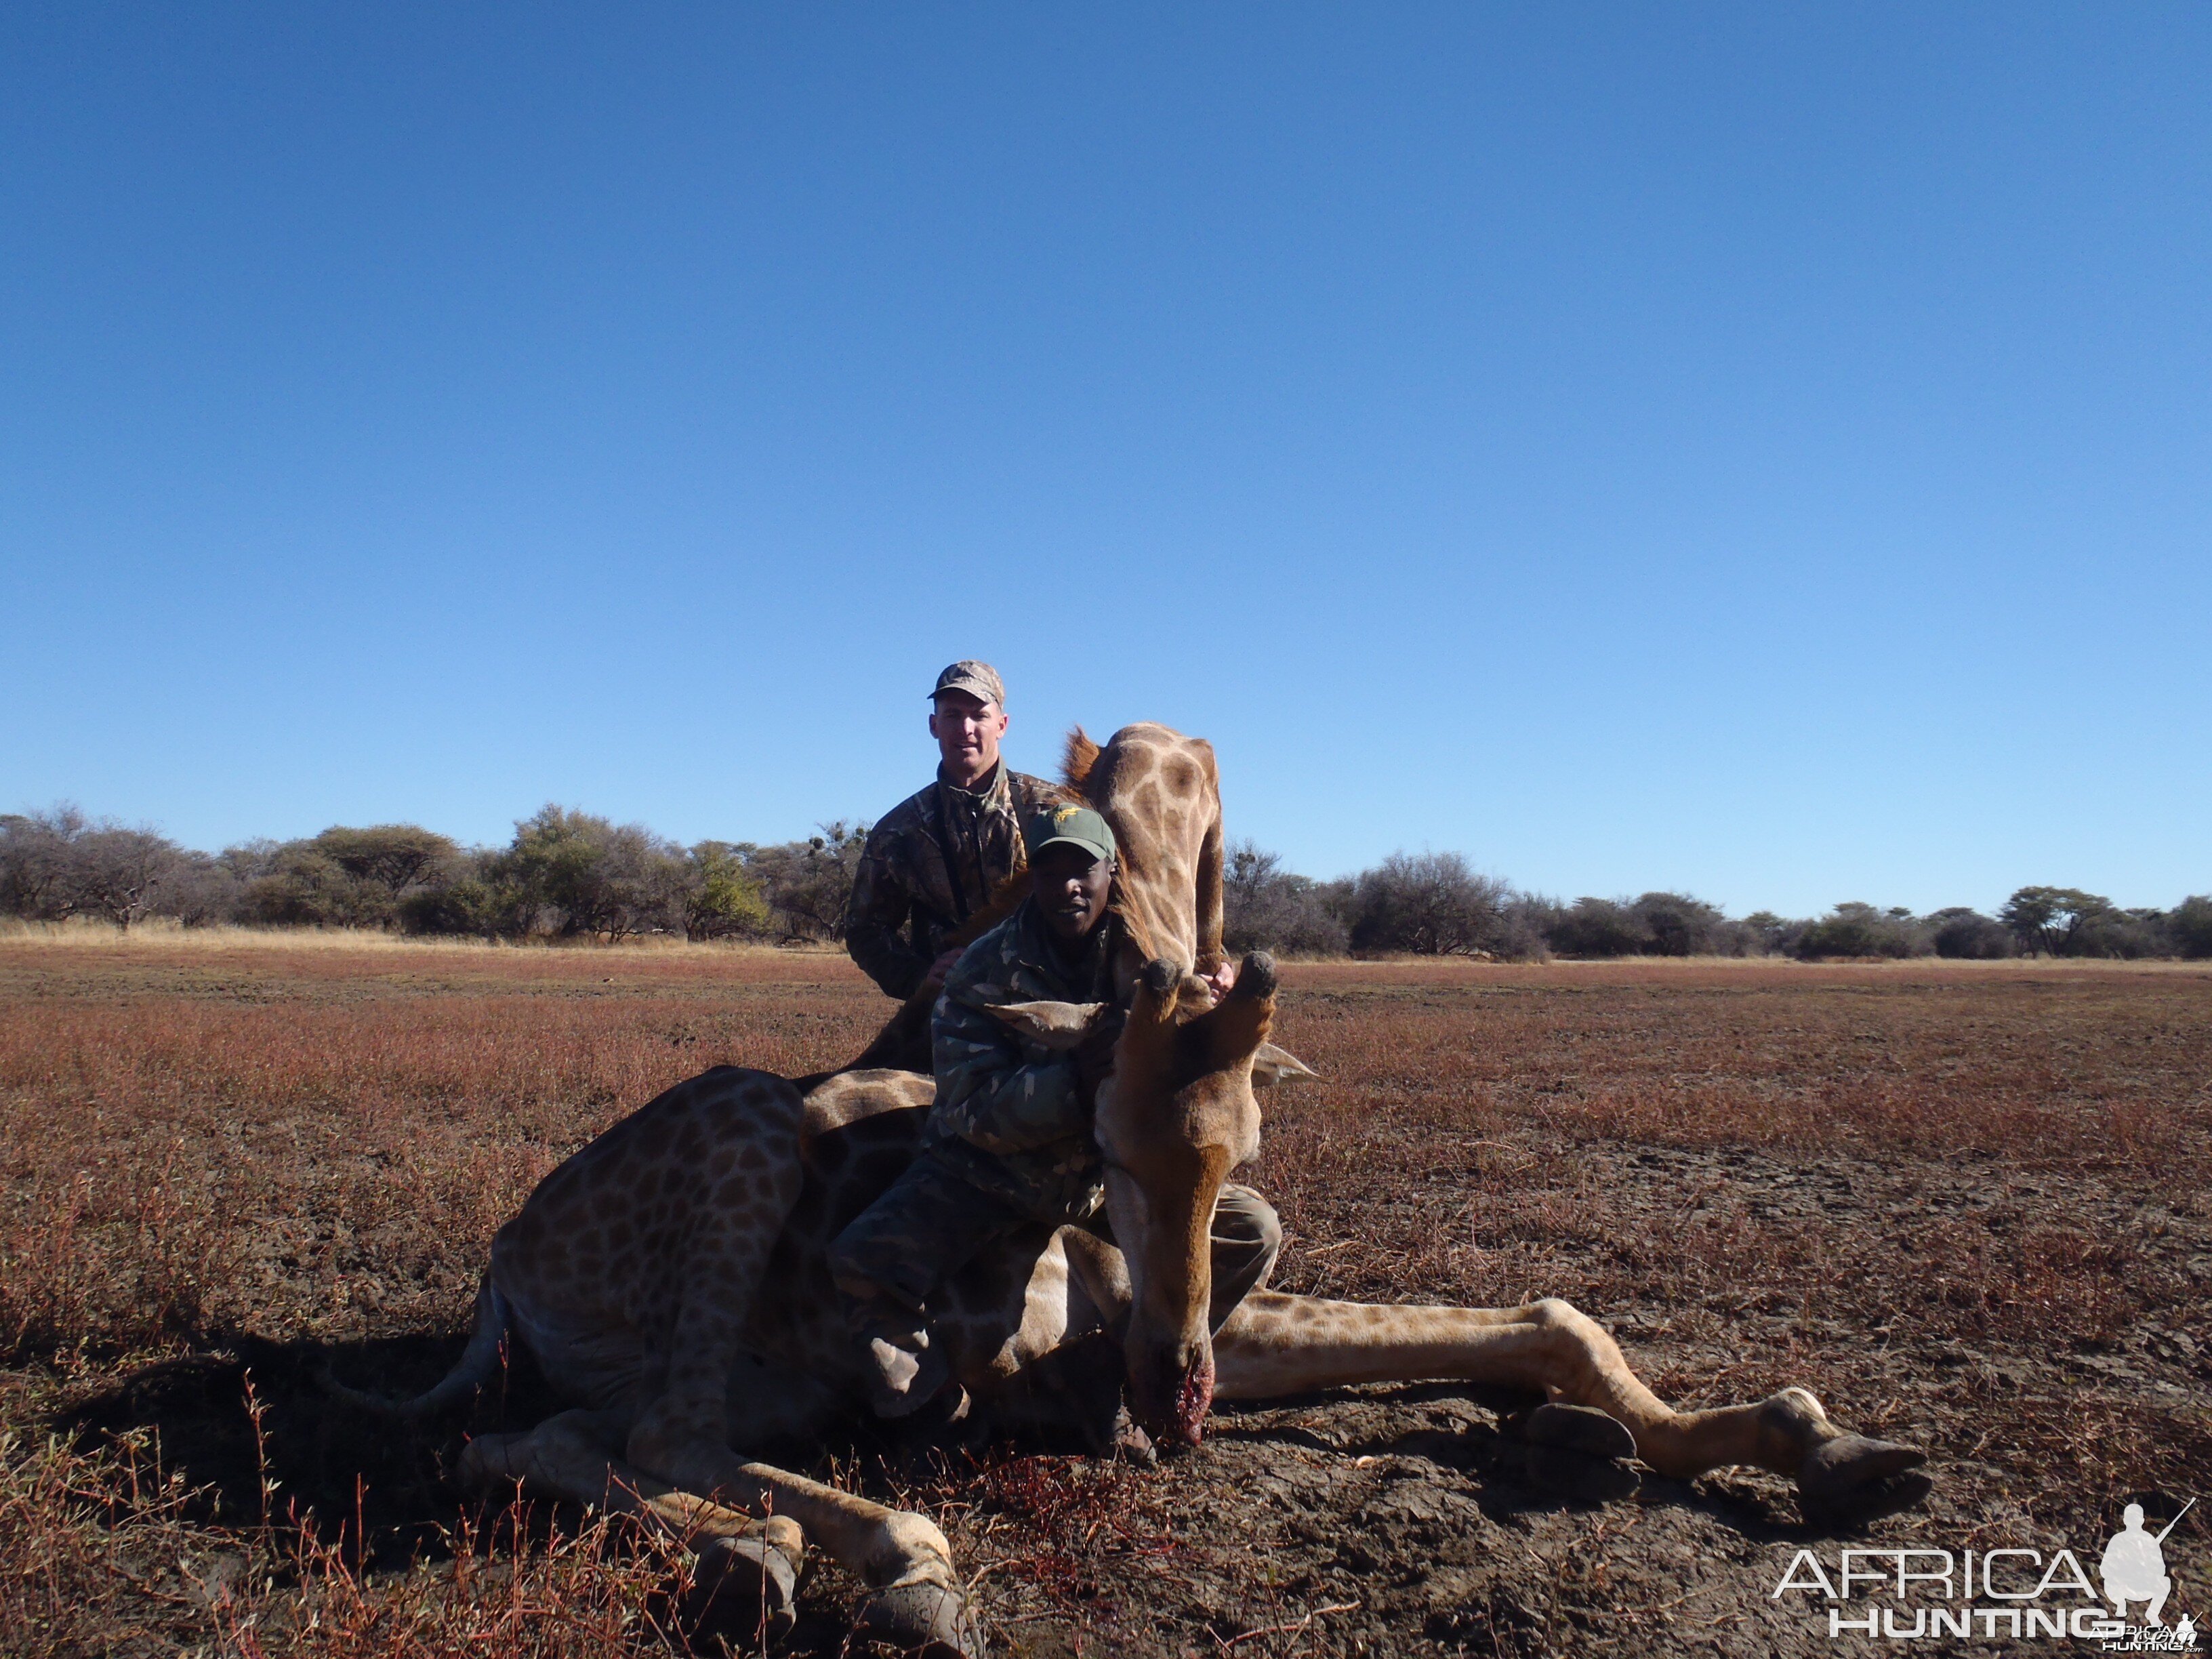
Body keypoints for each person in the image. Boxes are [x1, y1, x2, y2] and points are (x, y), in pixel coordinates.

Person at [827, 803, 1282, 1416]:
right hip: (989, 1174)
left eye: (1083, 870)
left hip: (1104, 1179)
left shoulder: (1148, 964)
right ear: (1032, 878)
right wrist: (1071, 1084)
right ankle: (931, 1407)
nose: (1067, 886)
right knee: (863, 1261)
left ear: (1111, 875)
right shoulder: (980, 971)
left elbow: (1194, 1079)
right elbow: (968, 1109)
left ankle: (1136, 1352)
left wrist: (1217, 1014)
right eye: (1049, 871)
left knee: (1255, 1231)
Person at [843, 661, 1062, 1001]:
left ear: (1002, 725)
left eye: (979, 715)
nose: (966, 728)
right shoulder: (899, 830)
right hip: (950, 1013)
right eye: (952, 715)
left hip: (1050, 1002)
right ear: (933, 725)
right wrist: (918, 979)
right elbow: (864, 929)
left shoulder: (1055, 811)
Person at [2100, 1503, 2173, 1624]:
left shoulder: (2149, 1540)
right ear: (2125, 1520)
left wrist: (2148, 1566)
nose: (2133, 1522)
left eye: (2136, 1518)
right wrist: (2123, 1567)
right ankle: (2120, 1605)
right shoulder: (2118, 1540)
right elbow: (2105, 1568)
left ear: (2142, 1520)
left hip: (2143, 1583)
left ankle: (2153, 1613)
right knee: (2110, 1581)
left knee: (2165, 1582)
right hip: (2123, 1584)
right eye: (2130, 1518)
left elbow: (2161, 1569)